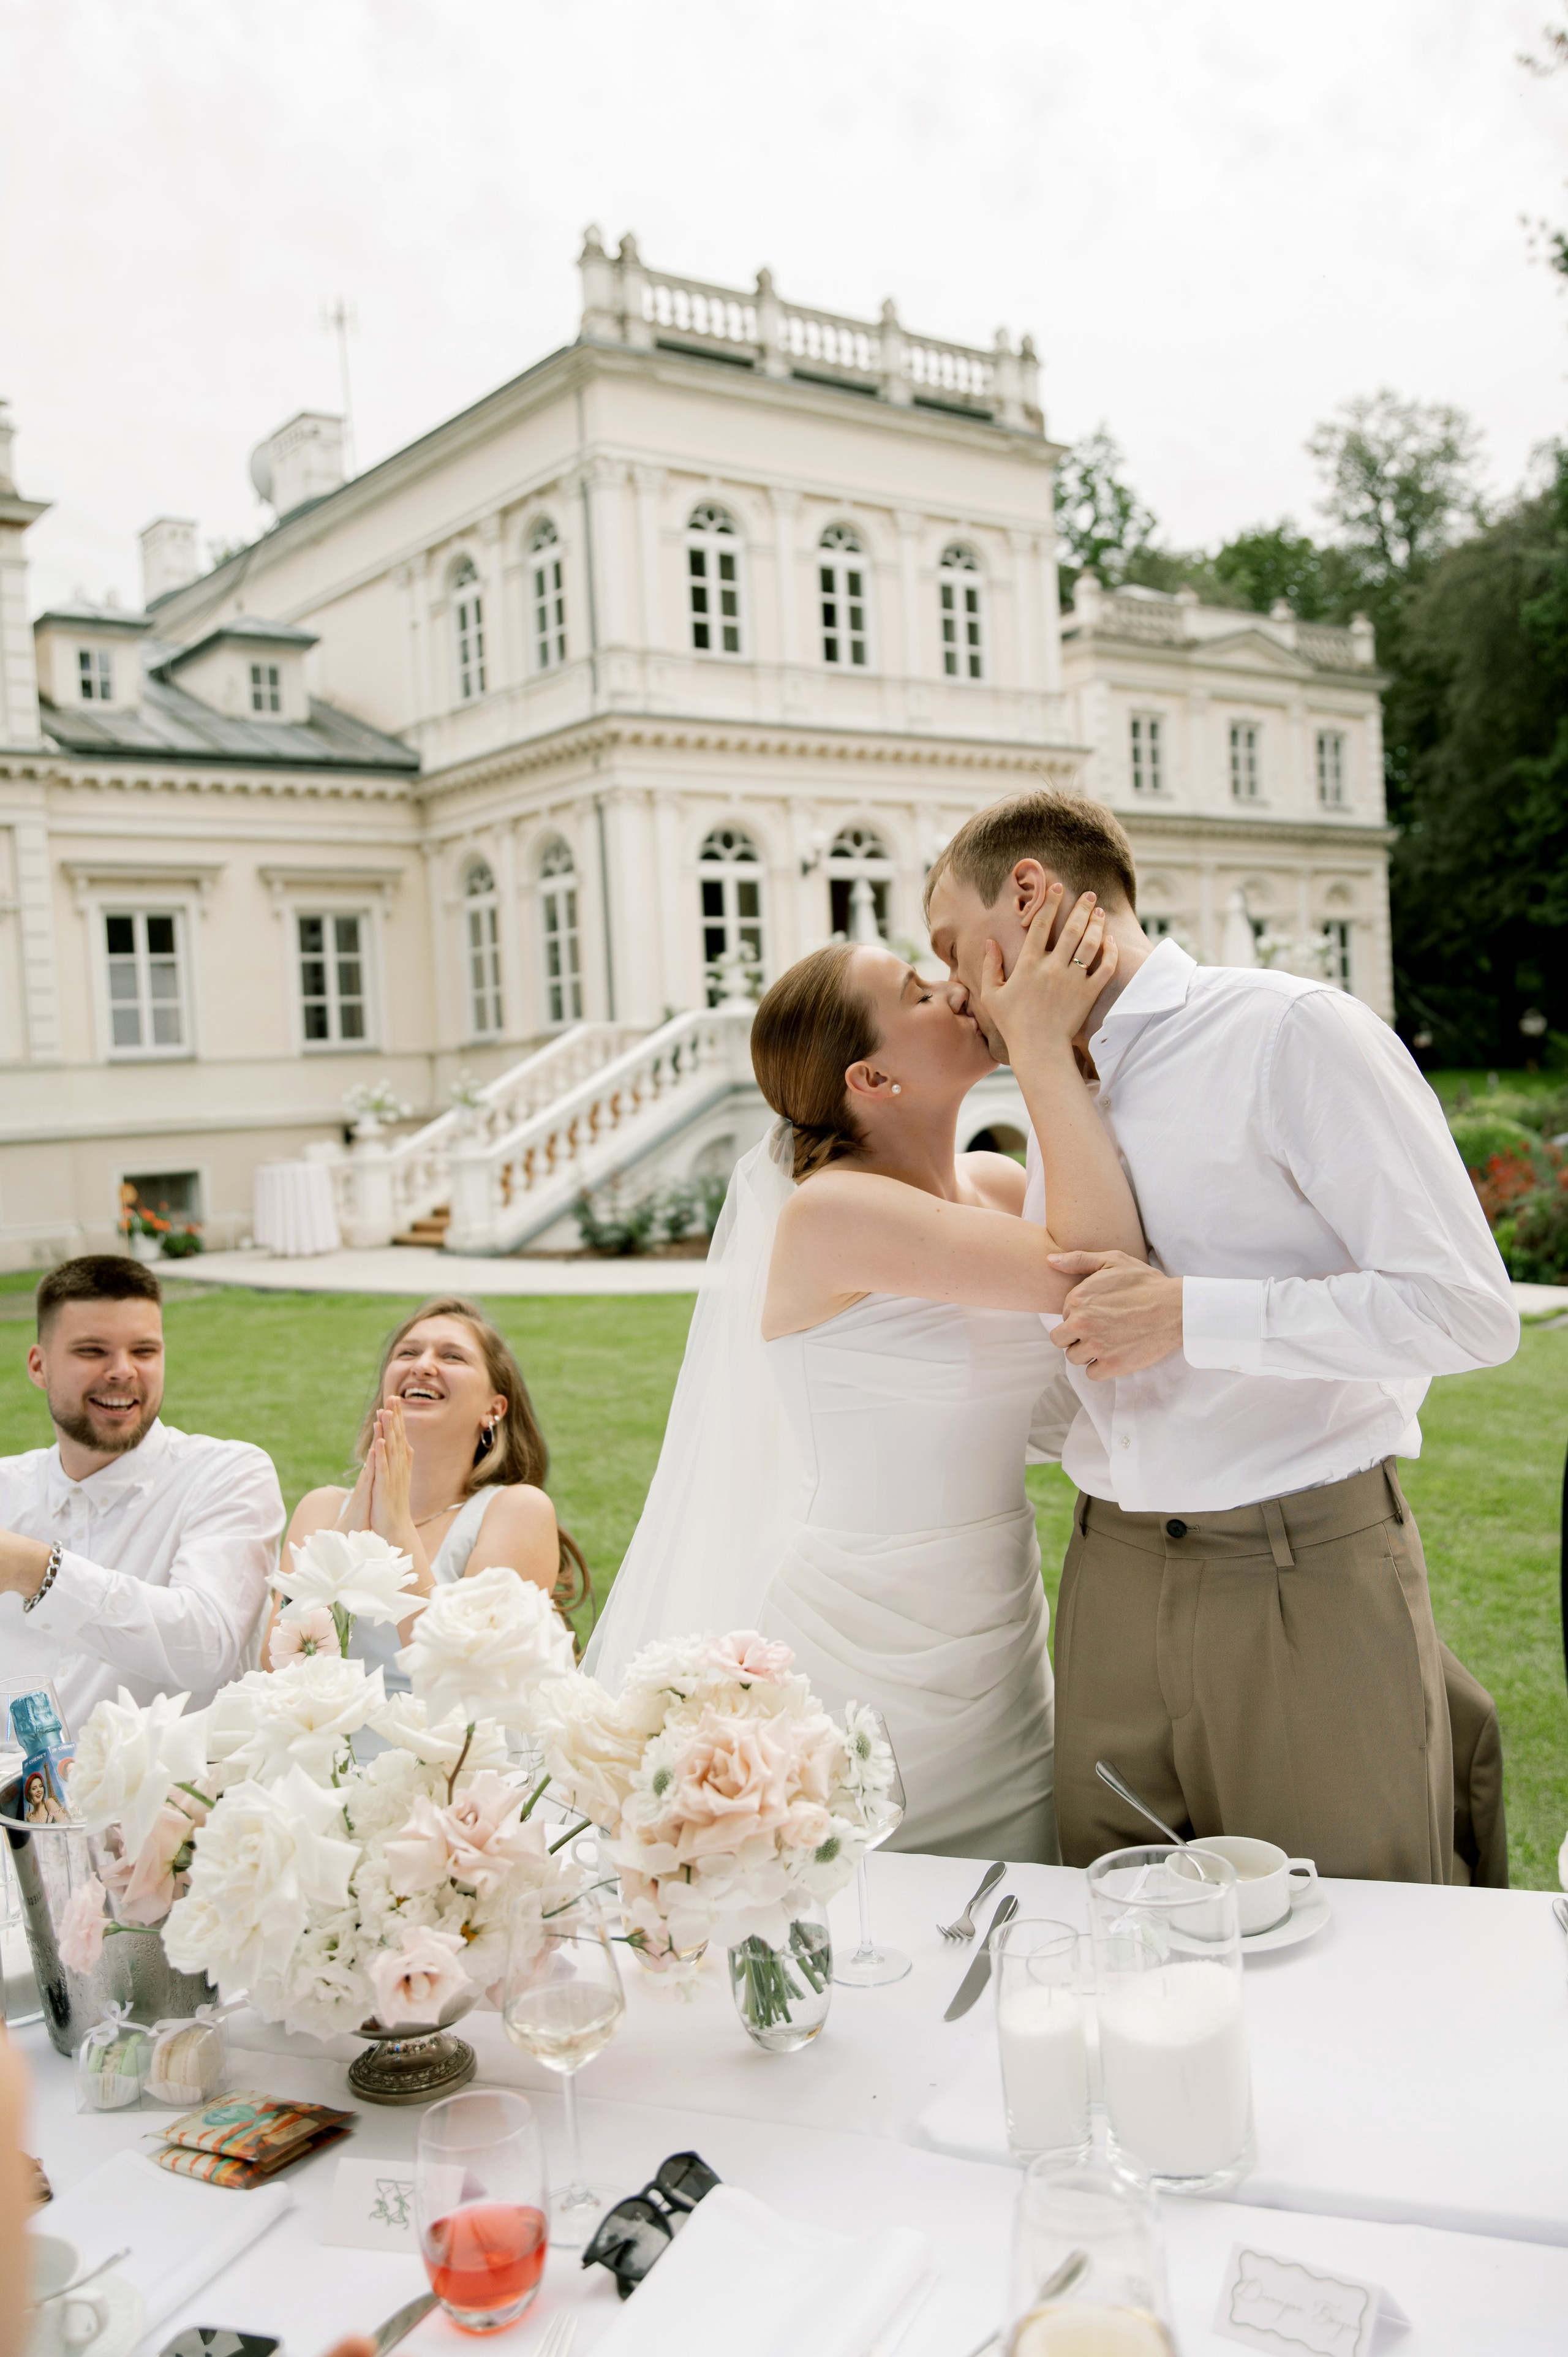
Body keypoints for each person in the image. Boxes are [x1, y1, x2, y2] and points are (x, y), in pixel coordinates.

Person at [926, 787, 1521, 1883]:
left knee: (1352, 1926)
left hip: (1300, 1570)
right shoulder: (1055, 1076)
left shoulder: (1290, 1033)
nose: (955, 989)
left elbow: (1466, 1308)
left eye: (951, 946)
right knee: (1113, 1925)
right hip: (1107, 1571)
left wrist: (1190, 1313)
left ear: (1030, 892)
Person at [586, 897, 1141, 1863]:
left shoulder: (998, 1189)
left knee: (1015, 1893)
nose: (957, 989)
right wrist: (1042, 1047)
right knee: (857, 1892)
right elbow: (1100, 1270)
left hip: (998, 1617)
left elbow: (1103, 1317)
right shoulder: (832, 1215)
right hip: (860, 1634)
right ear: (874, 1079)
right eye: (920, 993)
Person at [0, 1257, 283, 1733]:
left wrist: (37, 1571)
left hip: (165, 1782)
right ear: (39, 1366)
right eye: (93, 1351)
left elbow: (207, 1647)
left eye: (144, 1351)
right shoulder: (7, 1487)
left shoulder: (228, 1475)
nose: (122, 1371)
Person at [279, 1295, 589, 1686]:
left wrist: (396, 1530)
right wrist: (349, 1529)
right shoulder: (321, 1510)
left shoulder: (516, 1511)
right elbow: (277, 1669)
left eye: (452, 1357)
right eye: (407, 1353)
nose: (422, 1366)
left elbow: (469, 1678)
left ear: (494, 1409)